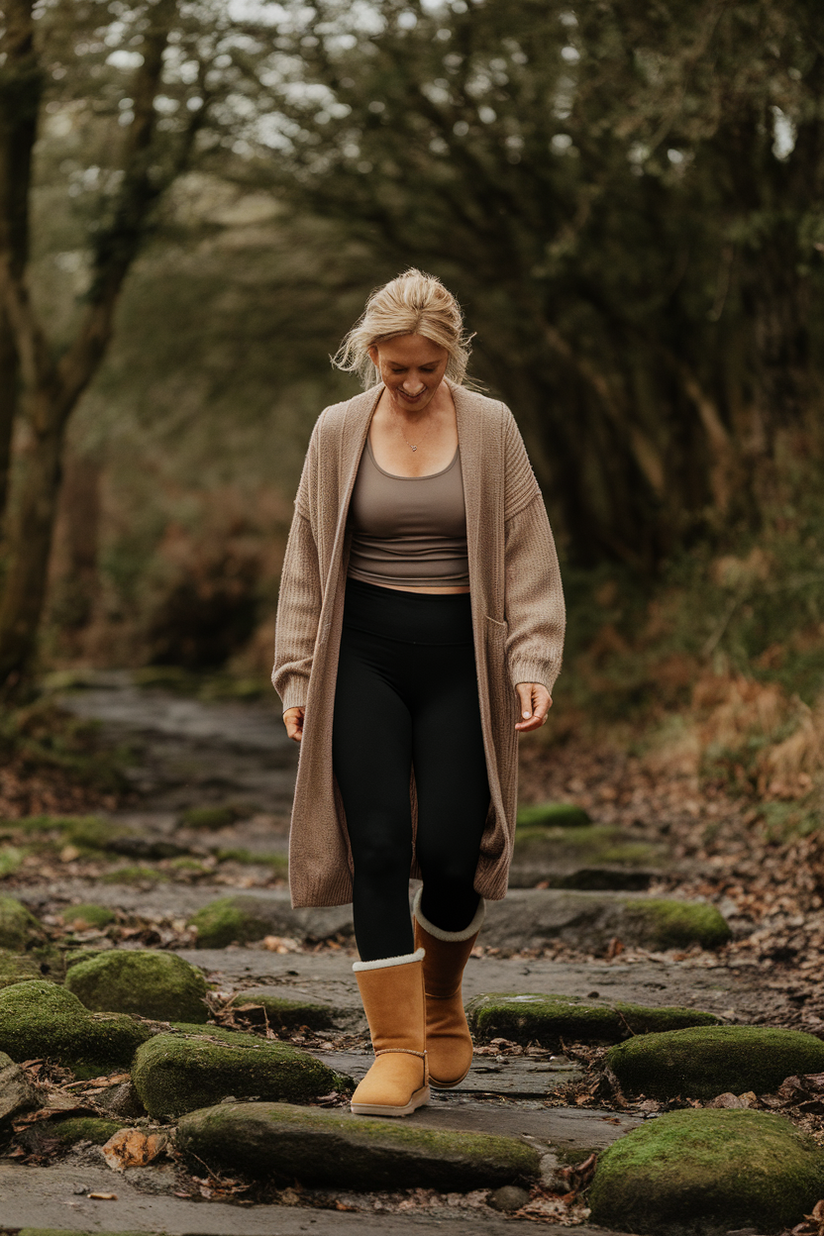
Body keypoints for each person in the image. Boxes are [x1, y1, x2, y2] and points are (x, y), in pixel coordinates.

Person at [272, 269, 565, 1118]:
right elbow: (304, 557)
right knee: (377, 846)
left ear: (451, 357)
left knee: (448, 853)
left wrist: (532, 662)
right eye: (394, 367)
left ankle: (440, 1000)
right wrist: (297, 671)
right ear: (370, 354)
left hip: (461, 665)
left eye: (426, 369)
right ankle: (394, 1048)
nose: (408, 384)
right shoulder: (336, 431)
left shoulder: (490, 427)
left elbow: (528, 553)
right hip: (360, 657)